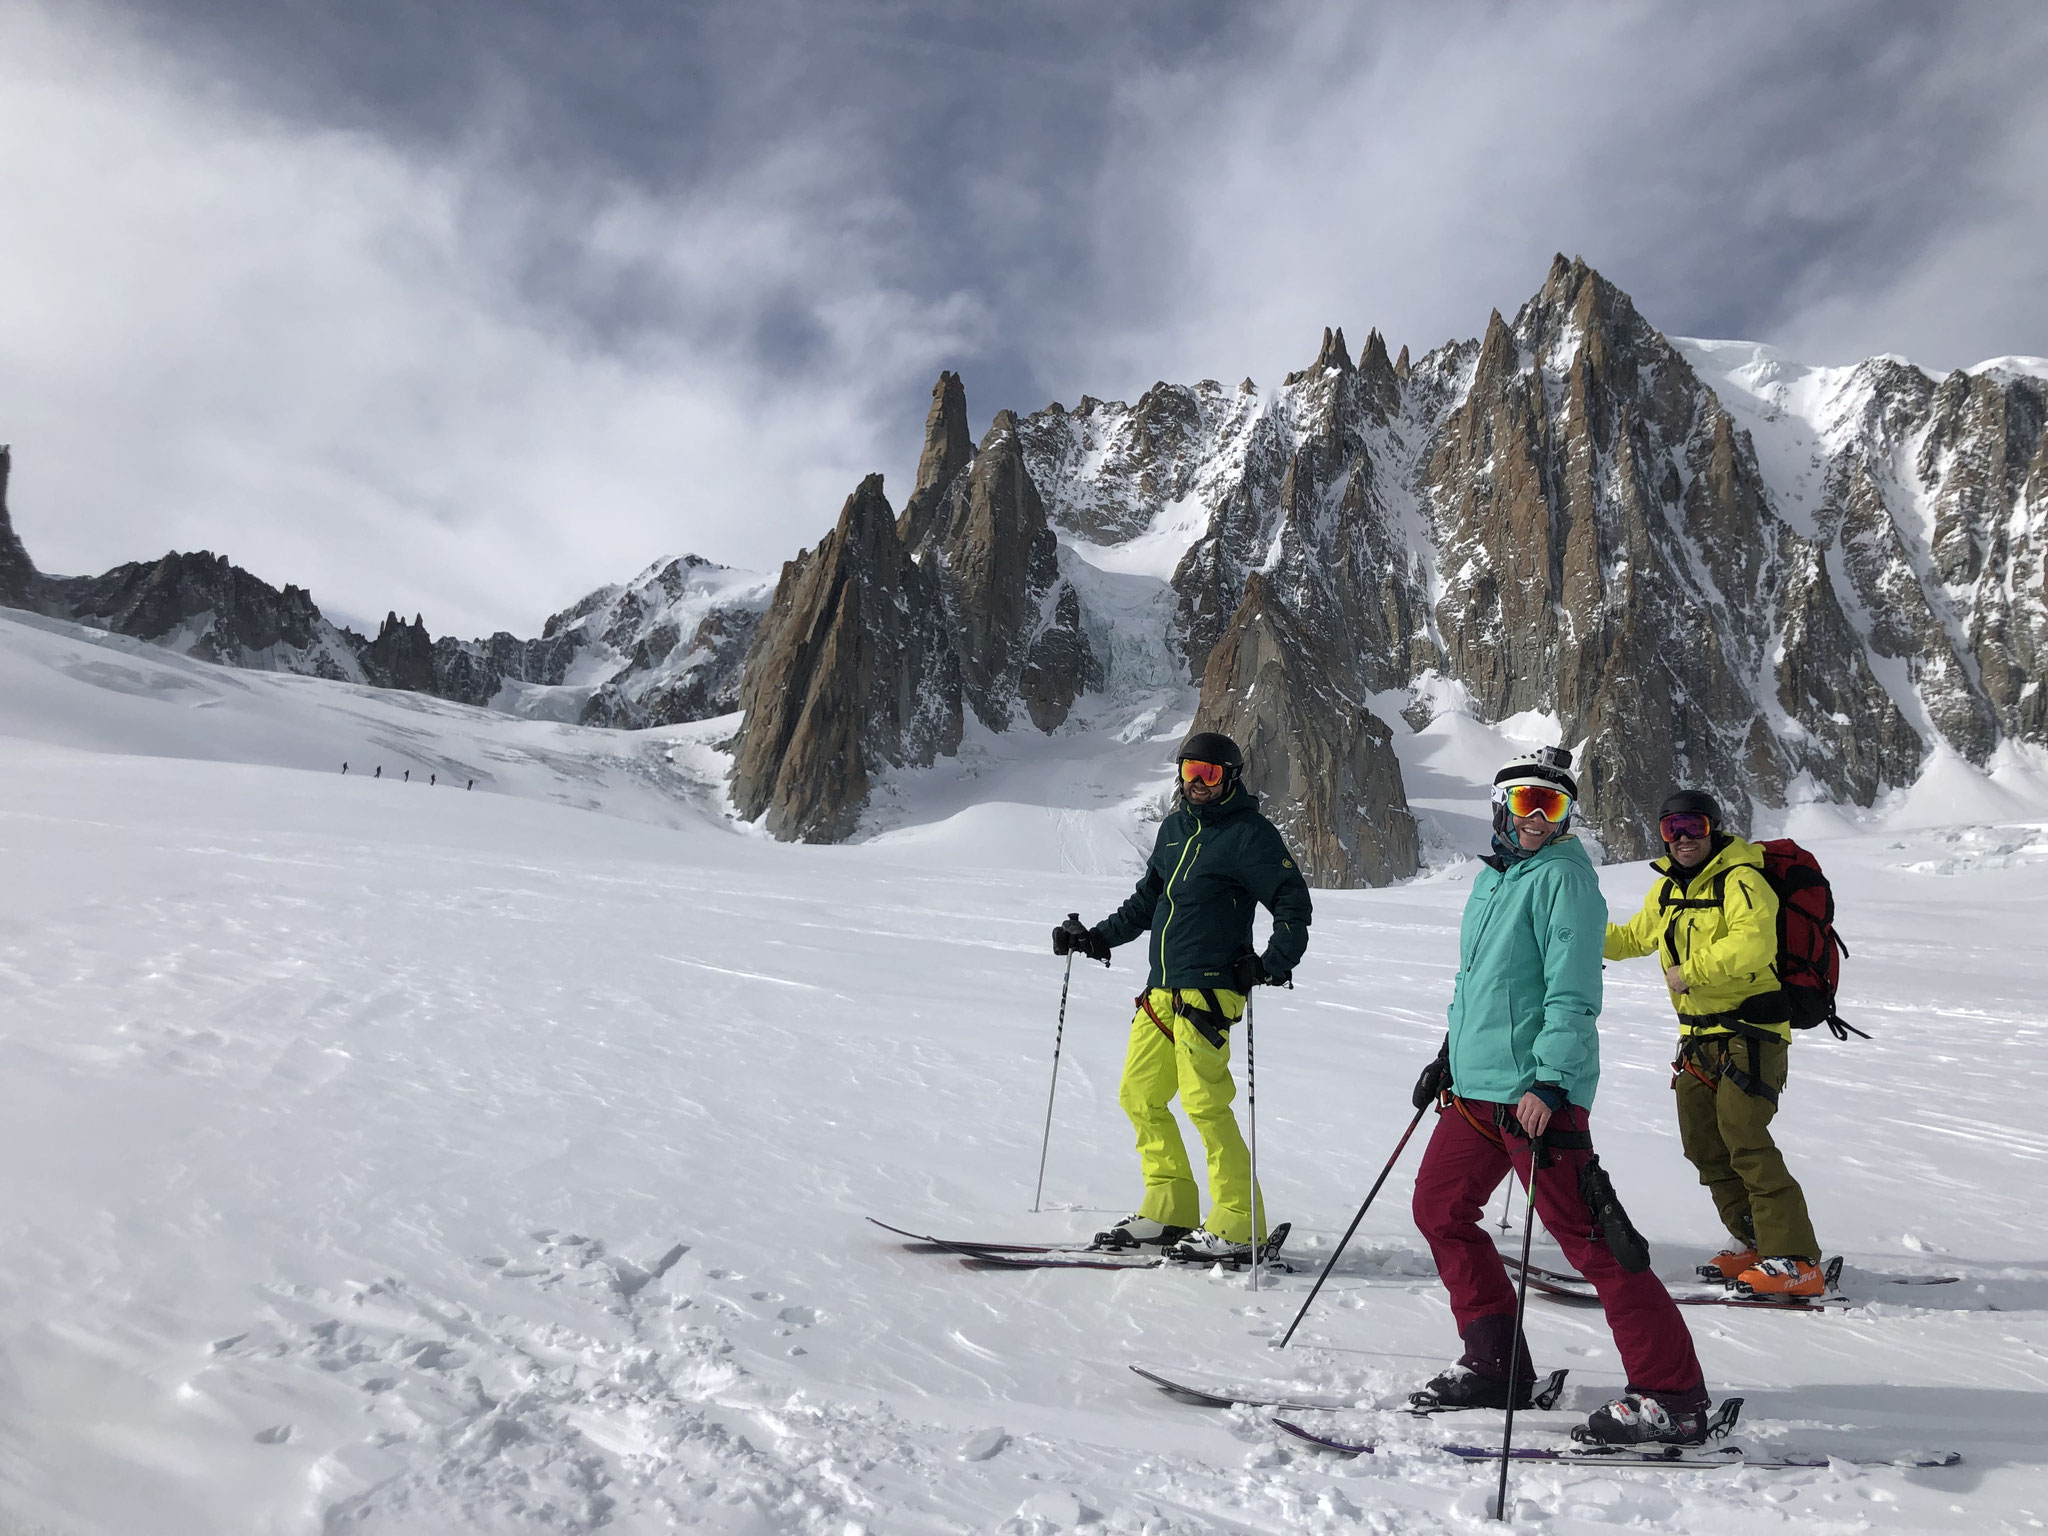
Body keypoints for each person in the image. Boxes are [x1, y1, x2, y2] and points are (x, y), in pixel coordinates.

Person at [1408, 747, 1715, 1446]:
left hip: (1535, 1095)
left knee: (1595, 1242)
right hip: (1478, 1089)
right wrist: (1448, 1054)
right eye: (1526, 804)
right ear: (1501, 808)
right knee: (1439, 1209)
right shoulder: (1495, 880)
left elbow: (1573, 992)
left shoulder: (1566, 882)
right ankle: (1497, 1366)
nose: (1539, 820)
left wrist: (1551, 1079)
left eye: (1553, 808)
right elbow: (1480, 984)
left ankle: (1674, 1396)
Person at [1052, 731, 1311, 1263]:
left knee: (1205, 1105)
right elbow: (1149, 900)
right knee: (1139, 1096)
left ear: (1230, 778)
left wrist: (1269, 964)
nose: (1197, 781)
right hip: (1161, 991)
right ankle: (1169, 1208)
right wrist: (1097, 937)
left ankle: (1241, 1224)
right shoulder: (1174, 830)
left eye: (1210, 773)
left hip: (1210, 991)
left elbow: (1292, 901)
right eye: (1191, 769)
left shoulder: (1249, 834)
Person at [1604, 789, 1823, 1298]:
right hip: (1698, 1038)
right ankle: (1754, 1242)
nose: (1682, 839)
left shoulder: (1743, 879)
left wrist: (1691, 972)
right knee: (1704, 1144)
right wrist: (1573, 931)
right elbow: (1634, 939)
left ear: (1712, 828)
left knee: (1745, 1138)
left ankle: (1796, 1259)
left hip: (1752, 1032)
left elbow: (1754, 943)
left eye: (1692, 827)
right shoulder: (1666, 892)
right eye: (1671, 828)